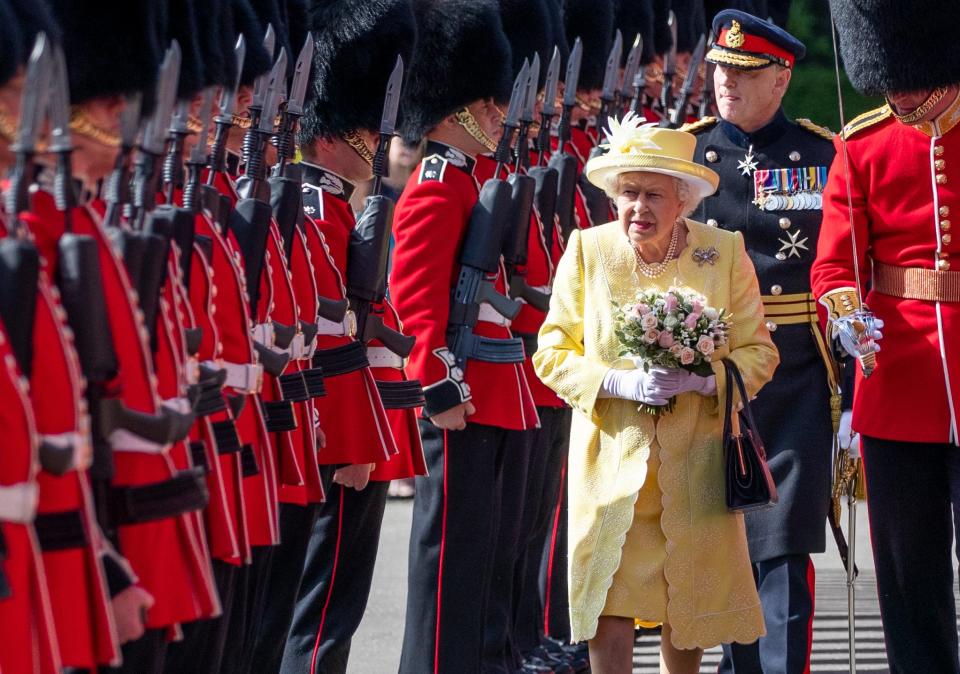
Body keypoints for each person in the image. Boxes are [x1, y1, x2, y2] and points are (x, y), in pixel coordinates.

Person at [533, 113, 778, 674]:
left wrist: (702, 379)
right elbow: (550, 352)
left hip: (695, 459)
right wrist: (615, 380)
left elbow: (758, 352)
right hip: (612, 458)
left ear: (684, 200)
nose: (637, 208)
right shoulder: (588, 250)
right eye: (627, 194)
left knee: (683, 597)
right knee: (610, 599)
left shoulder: (723, 251)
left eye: (652, 195)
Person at [681, 11, 839, 673]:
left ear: (782, 78)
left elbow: (841, 275)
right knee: (718, 549)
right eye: (720, 68)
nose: (726, 82)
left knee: (783, 548)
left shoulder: (822, 154)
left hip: (795, 375)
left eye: (745, 72)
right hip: (705, 373)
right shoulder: (679, 155)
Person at [390, 1, 541, 671]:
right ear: (460, 111)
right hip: (461, 394)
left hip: (497, 387)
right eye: (489, 105)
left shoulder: (478, 182)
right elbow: (414, 298)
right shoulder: (436, 187)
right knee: (452, 559)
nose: (500, 116)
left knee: (490, 555)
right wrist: (435, 381)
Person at [812, 1, 960, 670]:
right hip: (897, 374)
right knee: (906, 568)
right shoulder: (862, 145)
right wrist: (845, 314)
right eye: (888, 80)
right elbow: (834, 262)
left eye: (912, 79)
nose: (897, 94)